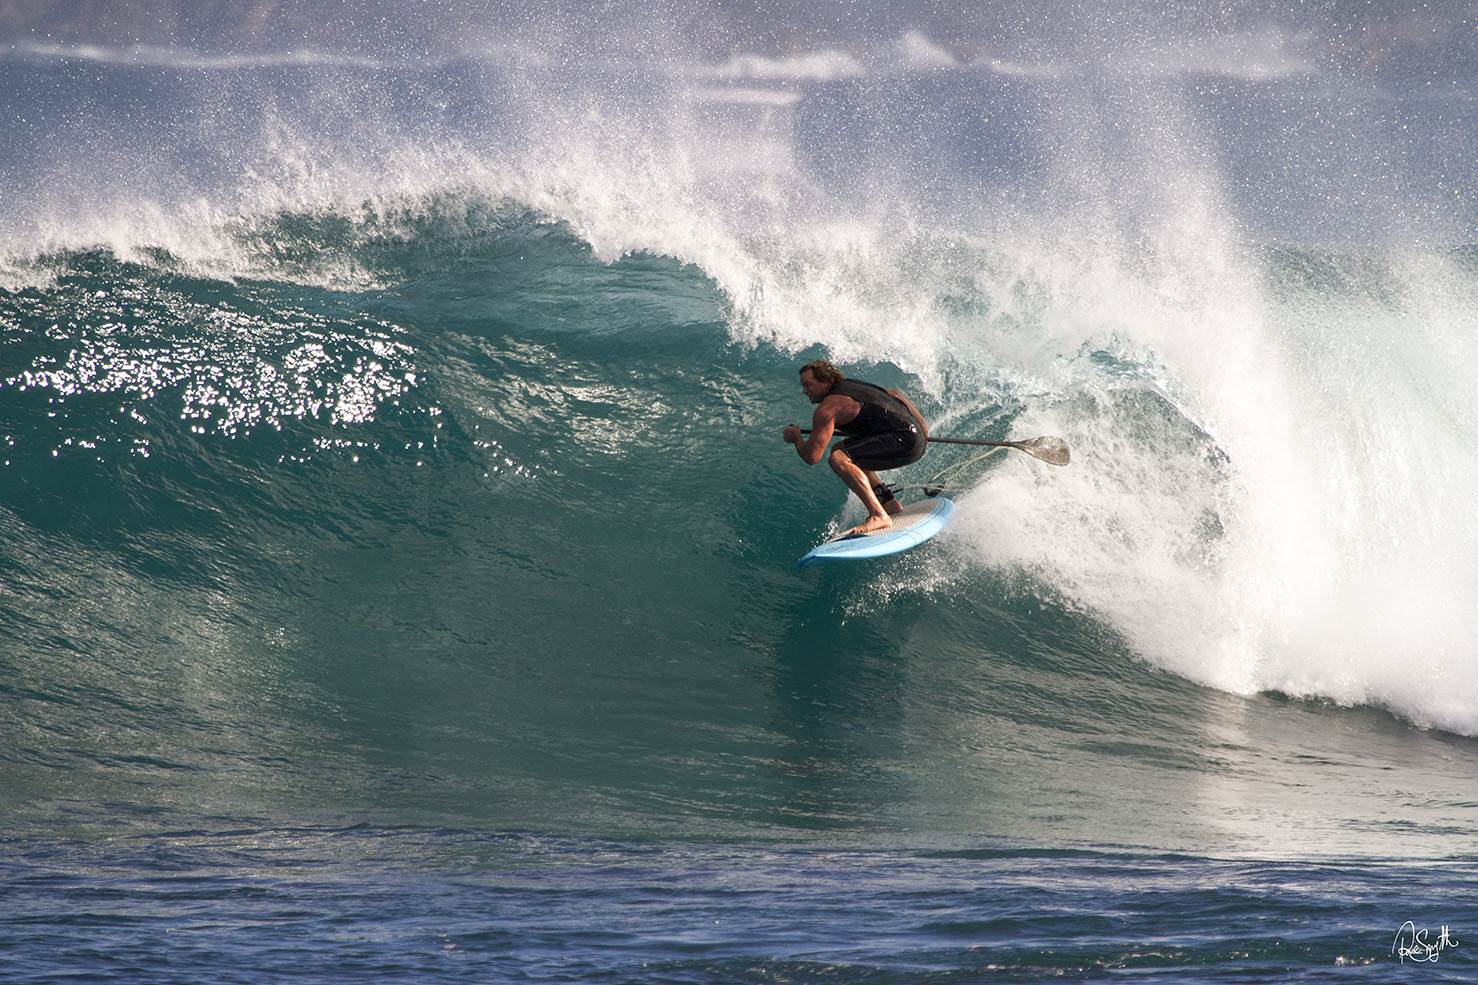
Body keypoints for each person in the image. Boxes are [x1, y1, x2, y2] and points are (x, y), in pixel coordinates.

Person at [782, 359, 929, 536]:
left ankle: (878, 515)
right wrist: (923, 430)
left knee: (838, 458)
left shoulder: (828, 408)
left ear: (826, 382)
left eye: (808, 385)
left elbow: (812, 457)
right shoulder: (850, 385)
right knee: (843, 448)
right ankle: (889, 504)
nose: (804, 391)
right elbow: (894, 394)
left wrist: (796, 438)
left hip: (905, 443)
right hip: (915, 436)